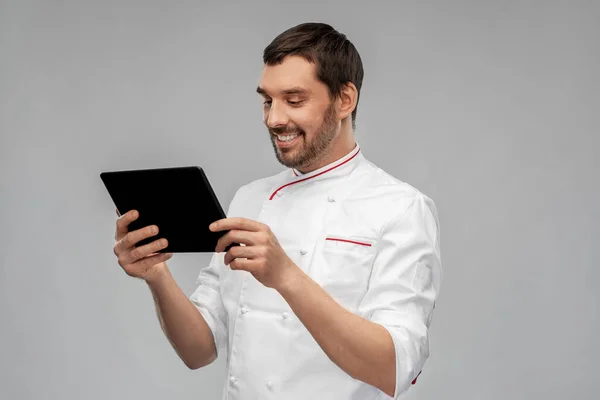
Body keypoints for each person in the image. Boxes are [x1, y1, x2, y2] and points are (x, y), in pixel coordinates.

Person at [113, 22, 442, 400]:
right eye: (267, 100)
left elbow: (394, 368)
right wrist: (157, 274)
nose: (274, 119)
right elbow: (198, 350)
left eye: (294, 100)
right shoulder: (249, 199)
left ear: (345, 99)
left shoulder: (401, 209)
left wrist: (285, 276)